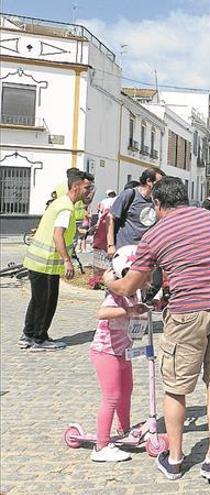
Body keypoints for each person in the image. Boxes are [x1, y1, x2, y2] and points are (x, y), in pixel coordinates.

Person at [103, 177, 210, 482]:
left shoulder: (155, 234)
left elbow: (129, 285)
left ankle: (176, 459)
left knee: (176, 388)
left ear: (157, 204)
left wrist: (107, 281)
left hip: (188, 312)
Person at [20, 169, 94, 351]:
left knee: (38, 300)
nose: (89, 192)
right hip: (46, 262)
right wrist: (67, 261)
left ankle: (28, 334)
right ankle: (39, 338)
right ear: (76, 187)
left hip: (40, 261)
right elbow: (58, 235)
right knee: (46, 301)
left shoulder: (61, 203)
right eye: (87, 188)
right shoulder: (66, 208)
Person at [88, 247, 145, 462]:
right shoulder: (115, 295)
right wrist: (129, 311)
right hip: (106, 351)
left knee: (126, 392)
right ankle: (101, 446)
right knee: (111, 396)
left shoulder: (134, 292)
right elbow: (102, 313)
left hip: (123, 350)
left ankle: (124, 430)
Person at [106, 167, 164, 257]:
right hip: (125, 251)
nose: (162, 186)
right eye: (159, 183)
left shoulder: (157, 200)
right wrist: (111, 245)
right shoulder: (130, 194)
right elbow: (110, 217)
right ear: (149, 181)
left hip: (146, 252)